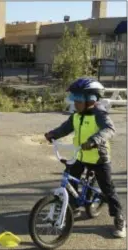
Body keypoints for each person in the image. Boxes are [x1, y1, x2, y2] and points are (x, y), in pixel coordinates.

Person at [44, 78, 126, 238]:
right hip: (80, 156)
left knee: (108, 189)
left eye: (78, 98)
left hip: (98, 158)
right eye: (73, 98)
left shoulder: (99, 114)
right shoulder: (76, 115)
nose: (75, 102)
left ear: (91, 99)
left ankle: (119, 218)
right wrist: (53, 134)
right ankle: (73, 204)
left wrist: (94, 141)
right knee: (70, 179)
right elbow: (65, 128)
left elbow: (109, 129)